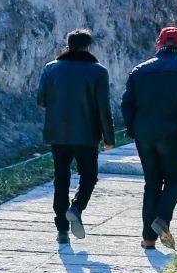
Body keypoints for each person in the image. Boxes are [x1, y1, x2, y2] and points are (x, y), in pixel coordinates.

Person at [121, 25, 177, 251]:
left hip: (144, 134)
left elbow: (126, 103)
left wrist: (133, 130)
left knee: (151, 182)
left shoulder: (139, 70)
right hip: (171, 133)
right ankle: (162, 219)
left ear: (158, 44)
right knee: (174, 180)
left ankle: (148, 239)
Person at [35, 28, 116, 243]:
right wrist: (109, 138)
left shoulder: (51, 69)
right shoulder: (98, 71)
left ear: (68, 45)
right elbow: (103, 108)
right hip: (87, 135)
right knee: (88, 176)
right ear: (89, 46)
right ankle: (77, 207)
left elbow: (41, 100)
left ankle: (62, 230)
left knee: (61, 179)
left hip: (57, 134)